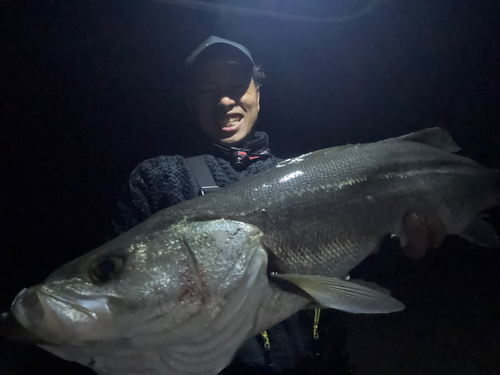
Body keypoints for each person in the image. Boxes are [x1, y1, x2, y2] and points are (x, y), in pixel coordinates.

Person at [109, 36, 445, 375]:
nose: (225, 100)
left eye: (239, 86)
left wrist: (398, 250)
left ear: (258, 96)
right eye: (208, 91)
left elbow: (356, 271)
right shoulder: (159, 177)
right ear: (190, 104)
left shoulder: (306, 176)